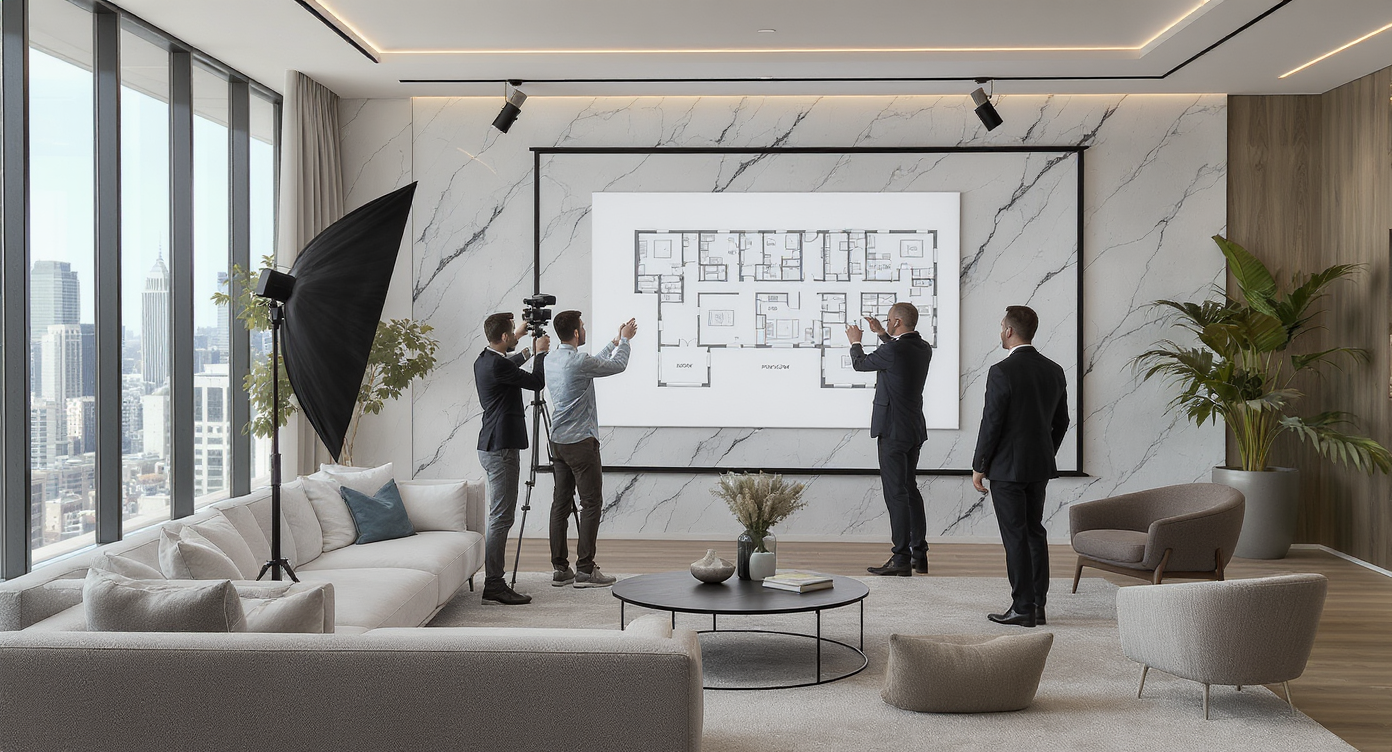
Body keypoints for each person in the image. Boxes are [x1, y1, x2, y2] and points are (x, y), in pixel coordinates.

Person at [972, 305, 1069, 628]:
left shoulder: (1001, 371)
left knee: (1015, 537)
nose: (1001, 331)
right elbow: (1062, 421)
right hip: (1038, 466)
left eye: (1002, 326)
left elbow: (992, 423)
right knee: (1034, 533)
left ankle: (1022, 607)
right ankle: (1037, 605)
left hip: (1006, 469)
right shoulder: (1054, 370)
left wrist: (979, 465)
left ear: (1010, 331)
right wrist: (1045, 453)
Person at [545, 310, 636, 588]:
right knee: (591, 503)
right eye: (582, 327)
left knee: (560, 504)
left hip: (558, 442)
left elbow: (592, 363)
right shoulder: (580, 361)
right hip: (581, 444)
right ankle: (585, 570)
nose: (584, 330)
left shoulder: (550, 359)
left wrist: (613, 342)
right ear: (575, 333)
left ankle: (560, 569)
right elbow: (617, 365)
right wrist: (625, 341)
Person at [846, 301, 933, 577]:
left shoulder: (893, 351)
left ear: (897, 321)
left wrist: (856, 341)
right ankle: (919, 554)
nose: (886, 323)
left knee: (896, 493)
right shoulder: (923, 348)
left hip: (893, 431)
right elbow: (896, 352)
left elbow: (860, 364)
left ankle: (900, 559)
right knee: (909, 489)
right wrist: (882, 333)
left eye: (888, 320)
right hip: (913, 429)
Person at [474, 312, 549, 606]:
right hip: (501, 448)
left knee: (499, 516)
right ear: (504, 337)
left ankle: (494, 581)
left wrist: (522, 344)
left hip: (491, 445)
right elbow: (536, 382)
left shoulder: (484, 359)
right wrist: (540, 354)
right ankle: (494, 584)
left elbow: (509, 365)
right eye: (511, 334)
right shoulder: (498, 364)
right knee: (501, 517)